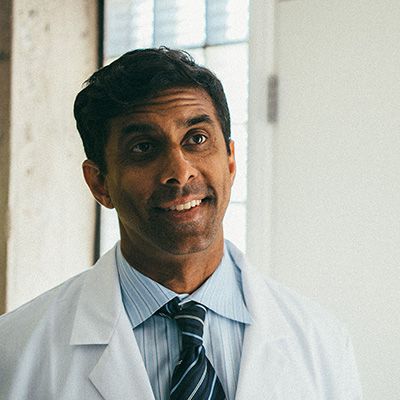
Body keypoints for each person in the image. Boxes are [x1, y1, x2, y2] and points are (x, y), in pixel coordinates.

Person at [0, 48, 362, 400]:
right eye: (143, 147)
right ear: (100, 183)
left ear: (231, 161)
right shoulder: (13, 353)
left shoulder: (323, 343)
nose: (179, 171)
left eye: (197, 139)